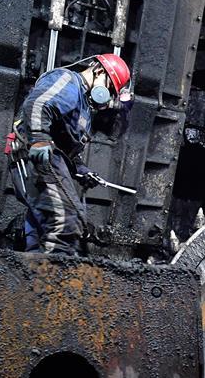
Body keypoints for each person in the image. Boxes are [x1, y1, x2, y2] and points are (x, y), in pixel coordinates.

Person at [15, 53, 131, 254]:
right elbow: (37, 104)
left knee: (43, 225)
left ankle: (33, 267)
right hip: (37, 153)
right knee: (67, 218)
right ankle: (54, 269)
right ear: (99, 71)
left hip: (48, 154)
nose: (108, 94)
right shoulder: (69, 81)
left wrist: (81, 170)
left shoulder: (84, 106)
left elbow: (67, 148)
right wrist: (39, 137)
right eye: (110, 87)